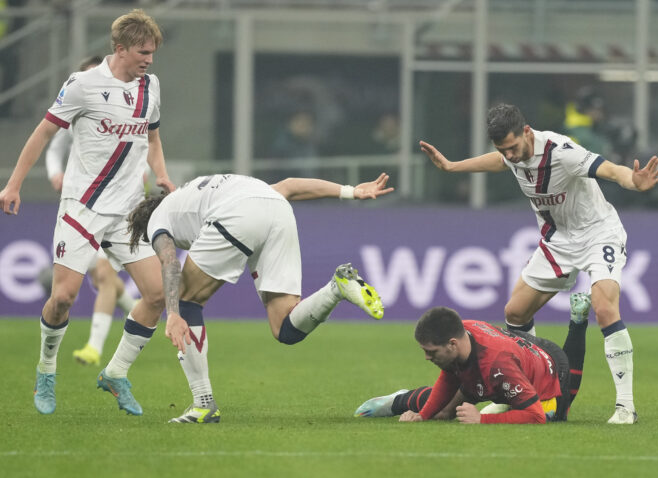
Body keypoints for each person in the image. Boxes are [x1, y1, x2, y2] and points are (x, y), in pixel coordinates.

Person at [419, 103, 658, 424]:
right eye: (504, 150)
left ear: (527, 132)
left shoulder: (562, 151)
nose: (511, 155)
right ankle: (520, 396)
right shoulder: (510, 154)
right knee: (515, 312)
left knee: (604, 307)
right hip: (557, 242)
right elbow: (499, 161)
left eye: (514, 147)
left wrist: (634, 181)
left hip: (597, 233)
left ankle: (625, 406)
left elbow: (610, 170)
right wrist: (452, 167)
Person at [0, 9, 175, 416]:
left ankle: (115, 373)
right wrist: (13, 184)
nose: (149, 59)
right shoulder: (83, 84)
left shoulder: (151, 87)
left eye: (153, 52)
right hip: (83, 206)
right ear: (120, 49)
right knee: (62, 298)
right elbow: (44, 132)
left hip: (128, 212)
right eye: (142, 52)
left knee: (157, 293)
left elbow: (153, 141)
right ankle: (46, 370)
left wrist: (162, 176)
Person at [126, 172, 393, 423]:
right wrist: (350, 191)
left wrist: (172, 314)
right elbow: (290, 186)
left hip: (236, 216)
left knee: (187, 301)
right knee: (285, 329)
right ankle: (337, 288)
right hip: (278, 210)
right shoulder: (203, 190)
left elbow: (170, 262)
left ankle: (203, 403)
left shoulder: (157, 219)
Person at [354, 293, 592, 423]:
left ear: (452, 344)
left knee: (556, 417)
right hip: (511, 357)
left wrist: (481, 420)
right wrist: (422, 415)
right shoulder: (461, 332)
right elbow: (449, 377)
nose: (427, 358)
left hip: (548, 364)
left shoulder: (497, 365)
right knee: (444, 413)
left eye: (431, 352)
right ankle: (397, 401)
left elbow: (535, 416)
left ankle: (578, 323)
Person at [41, 55, 138, 367]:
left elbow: (144, 151)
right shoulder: (75, 114)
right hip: (83, 207)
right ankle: (131, 309)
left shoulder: (125, 116)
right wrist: (55, 173)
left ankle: (95, 348)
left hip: (119, 209)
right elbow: (53, 146)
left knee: (105, 277)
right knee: (99, 281)